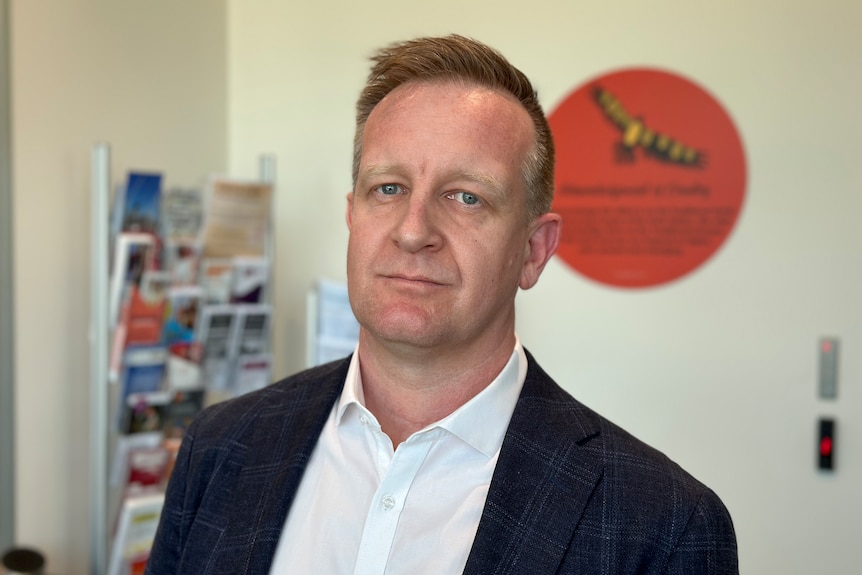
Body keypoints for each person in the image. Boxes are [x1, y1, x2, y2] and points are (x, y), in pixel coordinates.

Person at [145, 35, 738, 574]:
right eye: (389, 188)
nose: (413, 230)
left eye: (466, 197)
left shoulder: (661, 524)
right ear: (352, 217)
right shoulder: (220, 449)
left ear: (534, 249)